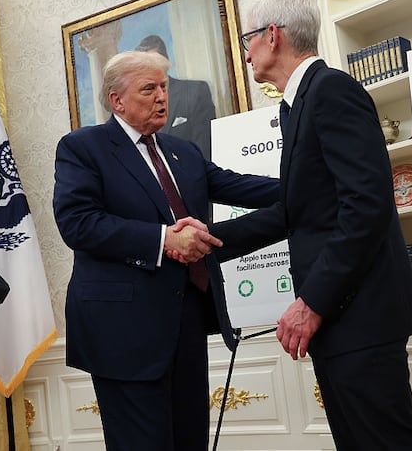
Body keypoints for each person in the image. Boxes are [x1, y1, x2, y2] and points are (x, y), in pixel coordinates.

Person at [209, 0, 412, 450]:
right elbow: (294, 213)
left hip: (360, 317)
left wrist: (310, 302)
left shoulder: (331, 91)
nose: (245, 53)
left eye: (248, 37)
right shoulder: (299, 105)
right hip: (340, 319)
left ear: (272, 36)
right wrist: (208, 239)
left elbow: (366, 207)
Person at [52, 50, 279, 451]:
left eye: (164, 87)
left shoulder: (182, 151)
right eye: (148, 89)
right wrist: (164, 240)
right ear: (116, 99)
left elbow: (238, 184)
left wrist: (309, 182)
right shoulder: (83, 148)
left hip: (185, 321)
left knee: (190, 438)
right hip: (122, 332)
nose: (161, 97)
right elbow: (78, 224)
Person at [135, 35, 217, 159]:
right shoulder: (137, 105)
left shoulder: (195, 91)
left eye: (153, 63)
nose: (148, 70)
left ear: (167, 62)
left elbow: (205, 148)